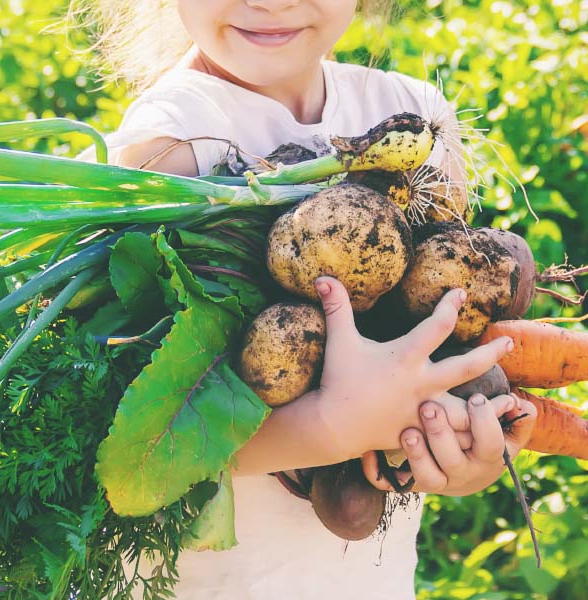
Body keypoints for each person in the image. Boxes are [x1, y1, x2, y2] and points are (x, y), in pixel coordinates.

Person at [71, 1, 538, 598]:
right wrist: (330, 428)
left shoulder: (414, 118)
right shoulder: (167, 150)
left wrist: (458, 451)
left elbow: (444, 322)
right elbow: (132, 444)